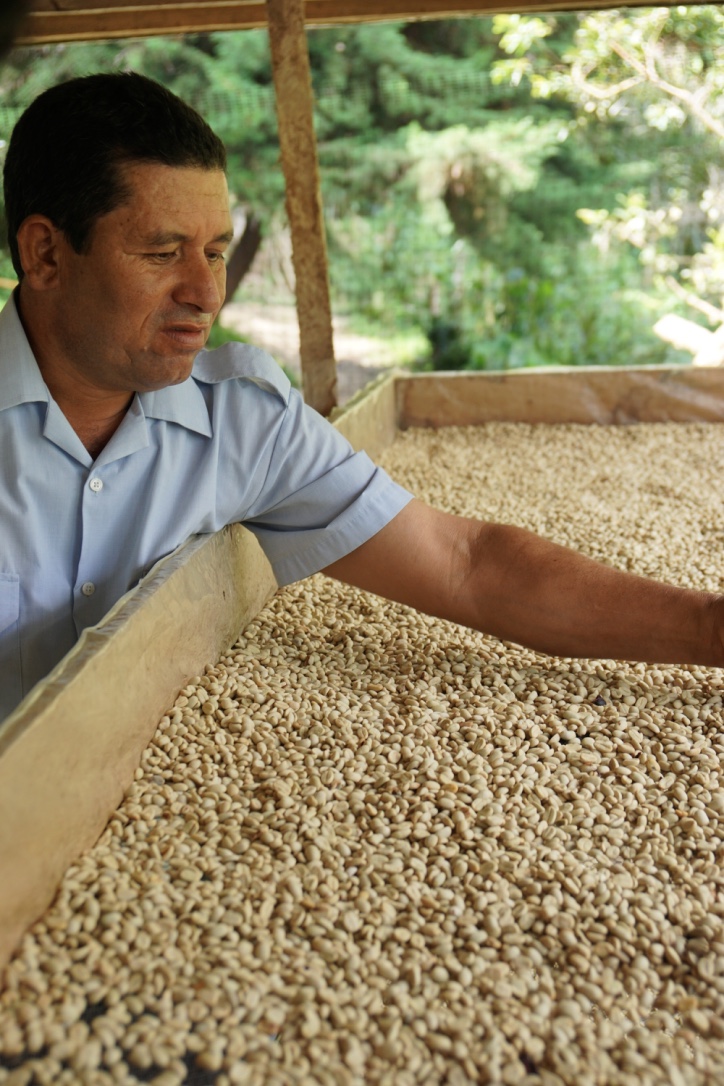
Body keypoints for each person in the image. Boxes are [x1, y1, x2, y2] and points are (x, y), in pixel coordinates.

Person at [1, 72, 722, 723]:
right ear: (46, 255)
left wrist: (710, 630)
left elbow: (465, 563)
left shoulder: (241, 421)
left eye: (215, 252)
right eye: (162, 254)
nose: (205, 293)